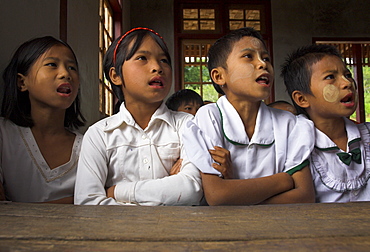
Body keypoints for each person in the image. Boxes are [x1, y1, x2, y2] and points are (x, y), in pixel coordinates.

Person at [182, 27, 315, 205]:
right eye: (248, 57)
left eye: (266, 58)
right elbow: (217, 195)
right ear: (219, 76)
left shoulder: (289, 123)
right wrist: (284, 180)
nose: (262, 64)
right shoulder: (210, 116)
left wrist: (234, 188)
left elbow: (304, 196)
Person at [74, 27, 203, 205]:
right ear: (115, 75)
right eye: (142, 58)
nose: (158, 67)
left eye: (164, 60)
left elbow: (191, 190)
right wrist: (167, 192)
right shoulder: (99, 135)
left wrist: (116, 191)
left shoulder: (187, 125)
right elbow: (87, 203)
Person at [0, 36, 85, 203]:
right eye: (52, 65)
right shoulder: (4, 135)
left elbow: (97, 200)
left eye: (72, 68)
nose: (65, 74)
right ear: (22, 82)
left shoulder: (88, 145)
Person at [281, 44, 370, 203]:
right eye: (330, 77)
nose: (347, 83)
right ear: (302, 99)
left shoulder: (367, 136)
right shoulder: (295, 147)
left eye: (347, 75)